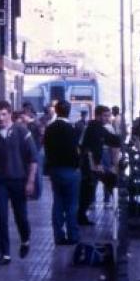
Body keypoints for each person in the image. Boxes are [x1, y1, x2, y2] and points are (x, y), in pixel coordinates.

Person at [0, 100, 38, 265]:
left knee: (20, 216)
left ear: (9, 114)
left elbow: (33, 159)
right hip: (0, 181)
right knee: (1, 217)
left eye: (3, 114)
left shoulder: (22, 132)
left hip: (18, 180)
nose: (1, 118)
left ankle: (25, 239)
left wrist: (30, 181)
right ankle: (5, 253)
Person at [42, 99, 82, 245]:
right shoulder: (71, 129)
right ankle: (73, 235)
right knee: (71, 204)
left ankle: (58, 236)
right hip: (70, 170)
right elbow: (75, 151)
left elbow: (46, 148)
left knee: (57, 203)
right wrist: (77, 165)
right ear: (69, 111)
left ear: (56, 111)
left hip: (55, 170)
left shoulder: (49, 128)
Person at [77, 104, 122, 225]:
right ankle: (81, 216)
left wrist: (121, 140)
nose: (108, 118)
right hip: (90, 165)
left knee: (90, 190)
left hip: (92, 165)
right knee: (88, 190)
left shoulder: (97, 127)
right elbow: (97, 146)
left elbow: (111, 139)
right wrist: (98, 164)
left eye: (109, 115)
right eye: (105, 116)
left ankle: (81, 216)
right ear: (98, 116)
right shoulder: (95, 128)